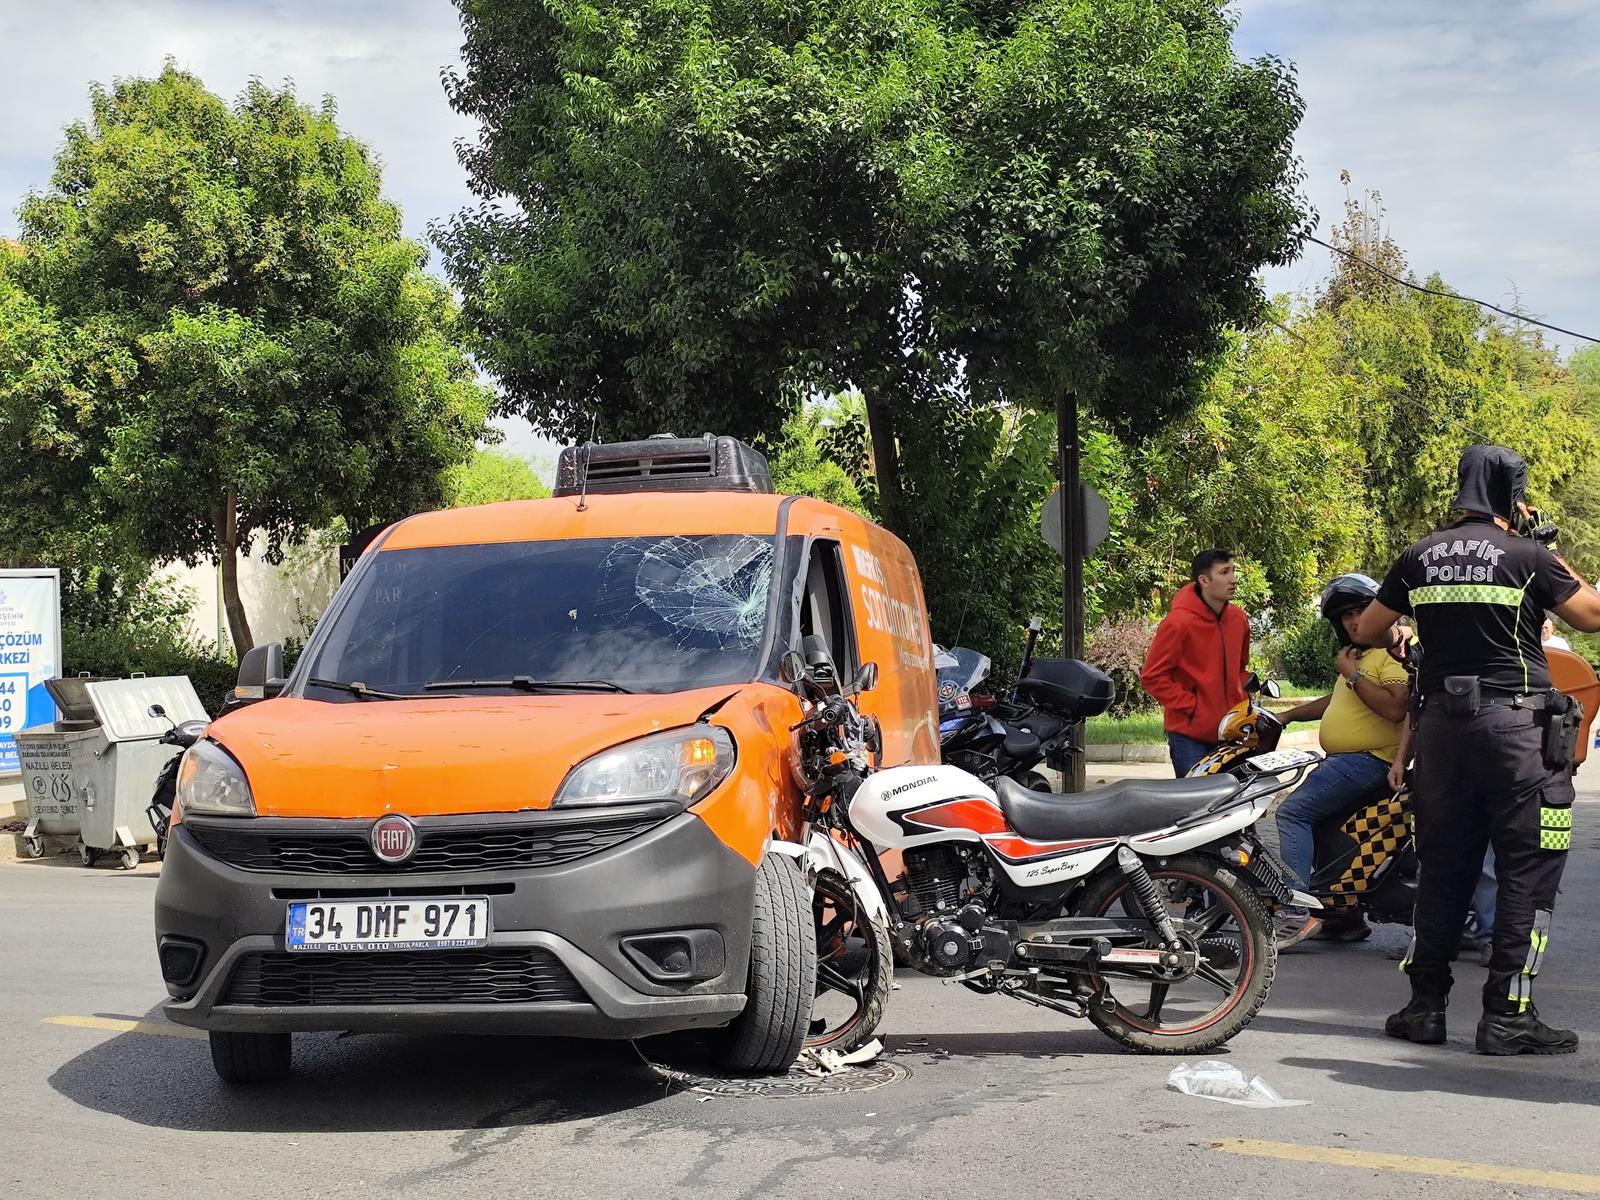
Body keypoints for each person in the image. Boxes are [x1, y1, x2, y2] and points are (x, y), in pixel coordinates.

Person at [1356, 444, 1600, 1055]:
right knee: (1527, 873)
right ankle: (1507, 1016)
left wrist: (1410, 631)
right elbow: (1592, 615)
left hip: (1440, 736)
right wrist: (1547, 548)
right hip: (1517, 737)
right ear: (1512, 499)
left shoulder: (1420, 554)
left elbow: (1366, 630)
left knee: (1443, 872)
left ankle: (1424, 1007)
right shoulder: (1528, 554)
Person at [1271, 574, 1410, 946]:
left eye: (1360, 611)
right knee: (1324, 831)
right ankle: (1342, 916)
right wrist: (1285, 716)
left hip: (1368, 761)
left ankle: (1294, 910)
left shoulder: (1387, 652)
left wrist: (1352, 676)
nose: (1353, 622)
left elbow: (1397, 708)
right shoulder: (1358, 655)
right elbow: (1337, 703)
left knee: (1292, 813)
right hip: (1348, 761)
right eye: (1345, 616)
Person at [1141, 550, 1251, 777]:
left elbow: (1240, 669)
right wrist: (1193, 706)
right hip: (1189, 738)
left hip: (1233, 733)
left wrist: (1244, 699)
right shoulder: (1178, 623)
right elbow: (1152, 676)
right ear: (1204, 580)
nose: (1233, 579)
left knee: (1237, 805)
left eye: (1233, 571)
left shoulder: (1239, 619)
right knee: (1198, 808)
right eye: (1224, 572)